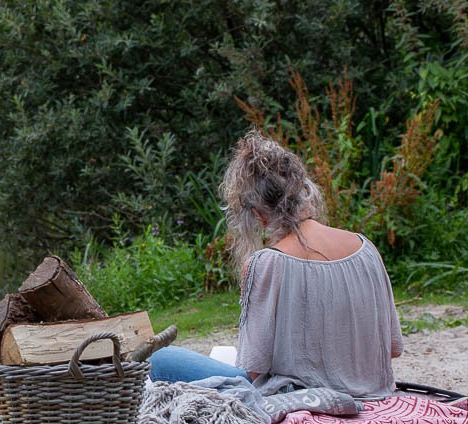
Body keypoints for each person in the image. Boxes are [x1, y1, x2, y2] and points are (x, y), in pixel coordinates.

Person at [149, 129, 403, 398]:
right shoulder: (365, 248)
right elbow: (393, 347)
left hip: (298, 397)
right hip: (375, 392)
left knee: (161, 359)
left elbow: (252, 369)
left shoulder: (268, 262)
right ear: (304, 191)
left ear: (257, 214)